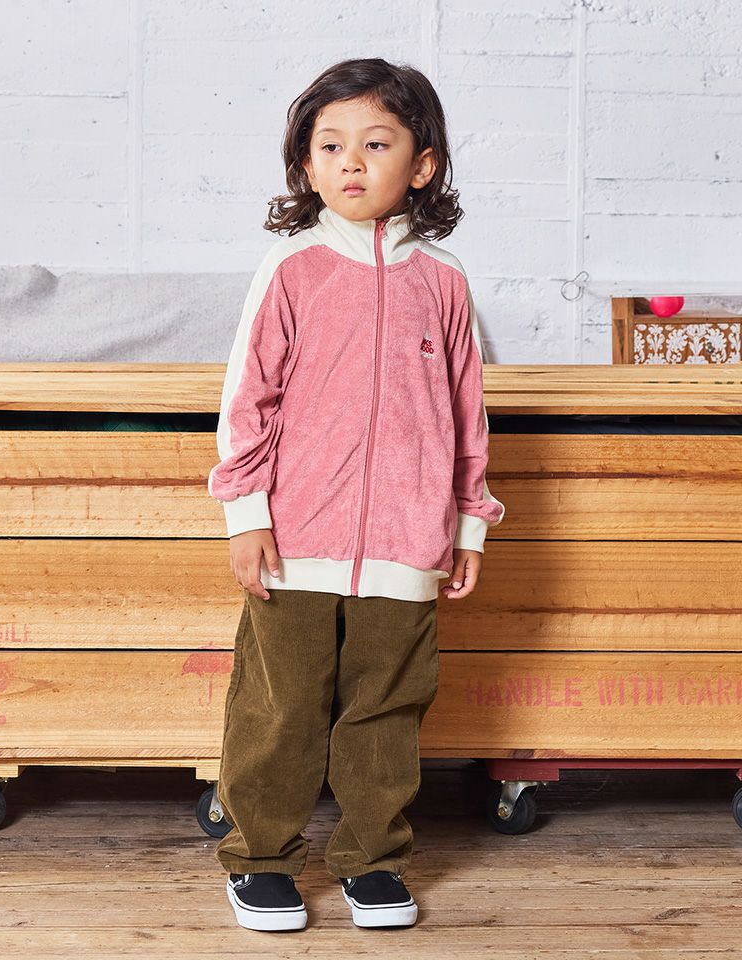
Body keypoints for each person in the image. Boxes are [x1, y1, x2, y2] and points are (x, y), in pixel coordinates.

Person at [207, 57, 506, 933]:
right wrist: (246, 514)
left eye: (376, 144)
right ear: (306, 165)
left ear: (422, 164)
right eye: (330, 145)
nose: (350, 162)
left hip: (410, 541)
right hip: (295, 535)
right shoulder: (292, 269)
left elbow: (466, 414)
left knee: (386, 711)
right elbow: (247, 400)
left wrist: (468, 524)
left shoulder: (443, 281)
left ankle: (373, 861)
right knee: (281, 709)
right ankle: (261, 858)